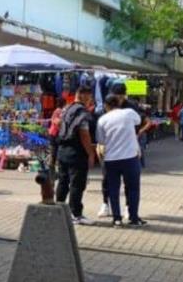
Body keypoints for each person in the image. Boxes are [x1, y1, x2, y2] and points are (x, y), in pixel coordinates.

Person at [97, 94, 147, 227]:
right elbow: (138, 121)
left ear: (106, 106)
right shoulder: (129, 113)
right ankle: (133, 218)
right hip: (130, 158)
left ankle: (117, 219)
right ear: (118, 103)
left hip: (111, 159)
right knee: (133, 189)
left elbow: (101, 141)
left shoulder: (102, 120)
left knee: (113, 188)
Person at [55, 84, 96, 226]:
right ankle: (76, 214)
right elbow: (84, 133)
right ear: (84, 95)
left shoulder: (67, 109)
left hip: (62, 150)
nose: (90, 100)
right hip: (76, 152)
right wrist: (90, 153)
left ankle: (58, 209)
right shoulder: (82, 113)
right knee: (77, 184)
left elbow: (59, 124)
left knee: (63, 181)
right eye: (90, 97)